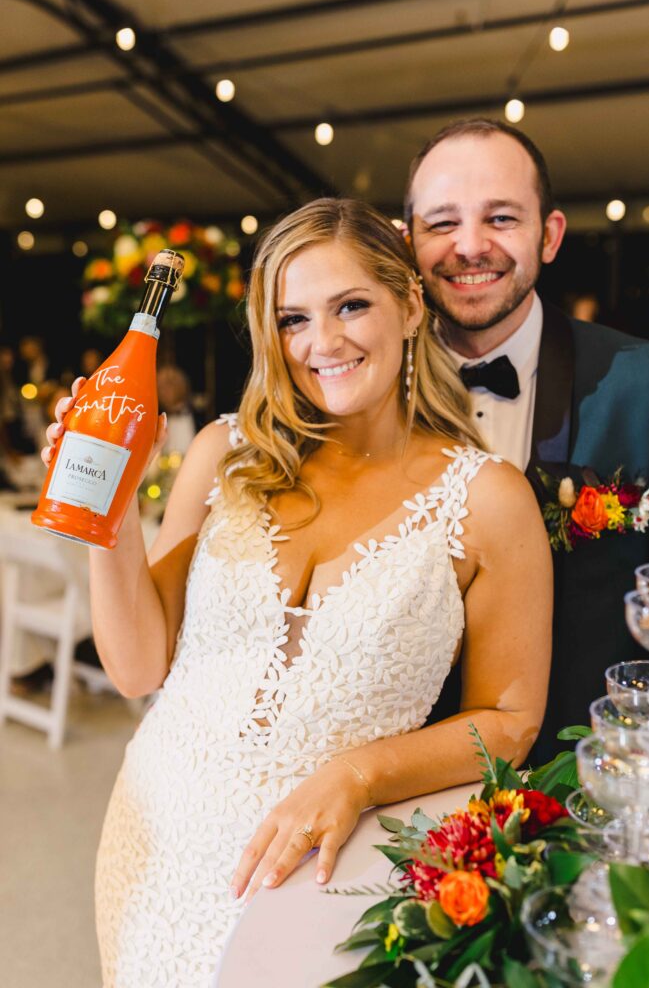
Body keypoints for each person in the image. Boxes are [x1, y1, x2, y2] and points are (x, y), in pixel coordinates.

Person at [43, 199, 551, 987]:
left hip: (324, 870)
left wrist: (356, 776)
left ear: (410, 305)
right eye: (293, 319)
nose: (324, 342)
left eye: (351, 305)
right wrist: (108, 514)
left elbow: (510, 722)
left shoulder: (487, 497)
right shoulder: (222, 453)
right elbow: (140, 668)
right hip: (158, 834)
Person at [404, 117, 649, 759]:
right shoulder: (363, 395)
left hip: (584, 787)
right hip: (402, 798)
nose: (469, 246)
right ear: (407, 241)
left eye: (501, 218)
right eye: (442, 223)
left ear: (548, 235)